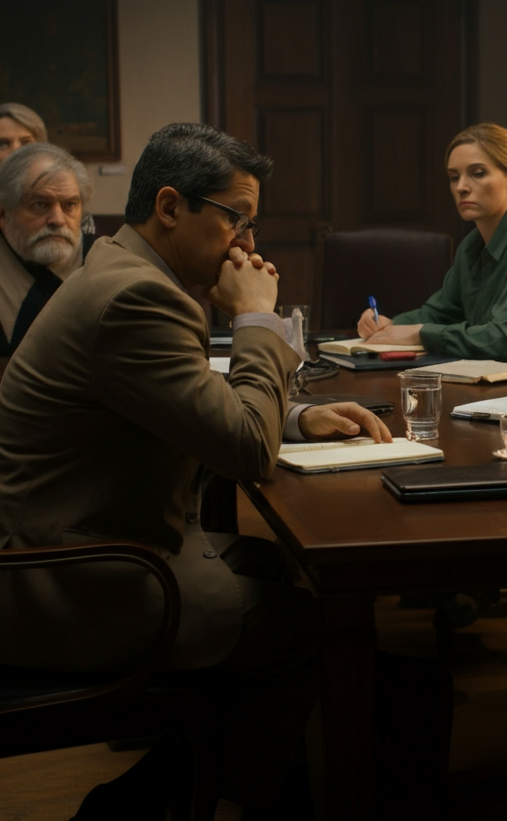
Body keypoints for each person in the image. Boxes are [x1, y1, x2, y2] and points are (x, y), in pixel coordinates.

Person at [0, 122, 391, 820]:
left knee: (276, 568)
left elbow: (182, 398)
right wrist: (258, 320)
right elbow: (243, 450)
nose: (247, 246)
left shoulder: (120, 267)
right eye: (237, 220)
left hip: (72, 540)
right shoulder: (137, 297)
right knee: (307, 629)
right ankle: (169, 802)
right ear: (171, 206)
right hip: (68, 580)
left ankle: (226, 779)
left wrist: (298, 418)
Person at [357, 122, 507, 359]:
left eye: (478, 173)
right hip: (506, 375)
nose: (461, 187)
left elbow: (506, 340)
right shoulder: (471, 245)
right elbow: (439, 313)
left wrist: (419, 333)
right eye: (454, 177)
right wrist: (387, 326)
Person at [0, 144, 97, 355]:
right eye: (40, 205)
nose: (58, 220)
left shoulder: (100, 261)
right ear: (3, 214)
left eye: (69, 205)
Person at [0, 101, 97, 234]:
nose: (16, 150)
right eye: (3, 144)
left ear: (41, 146)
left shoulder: (75, 214)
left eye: (26, 142)